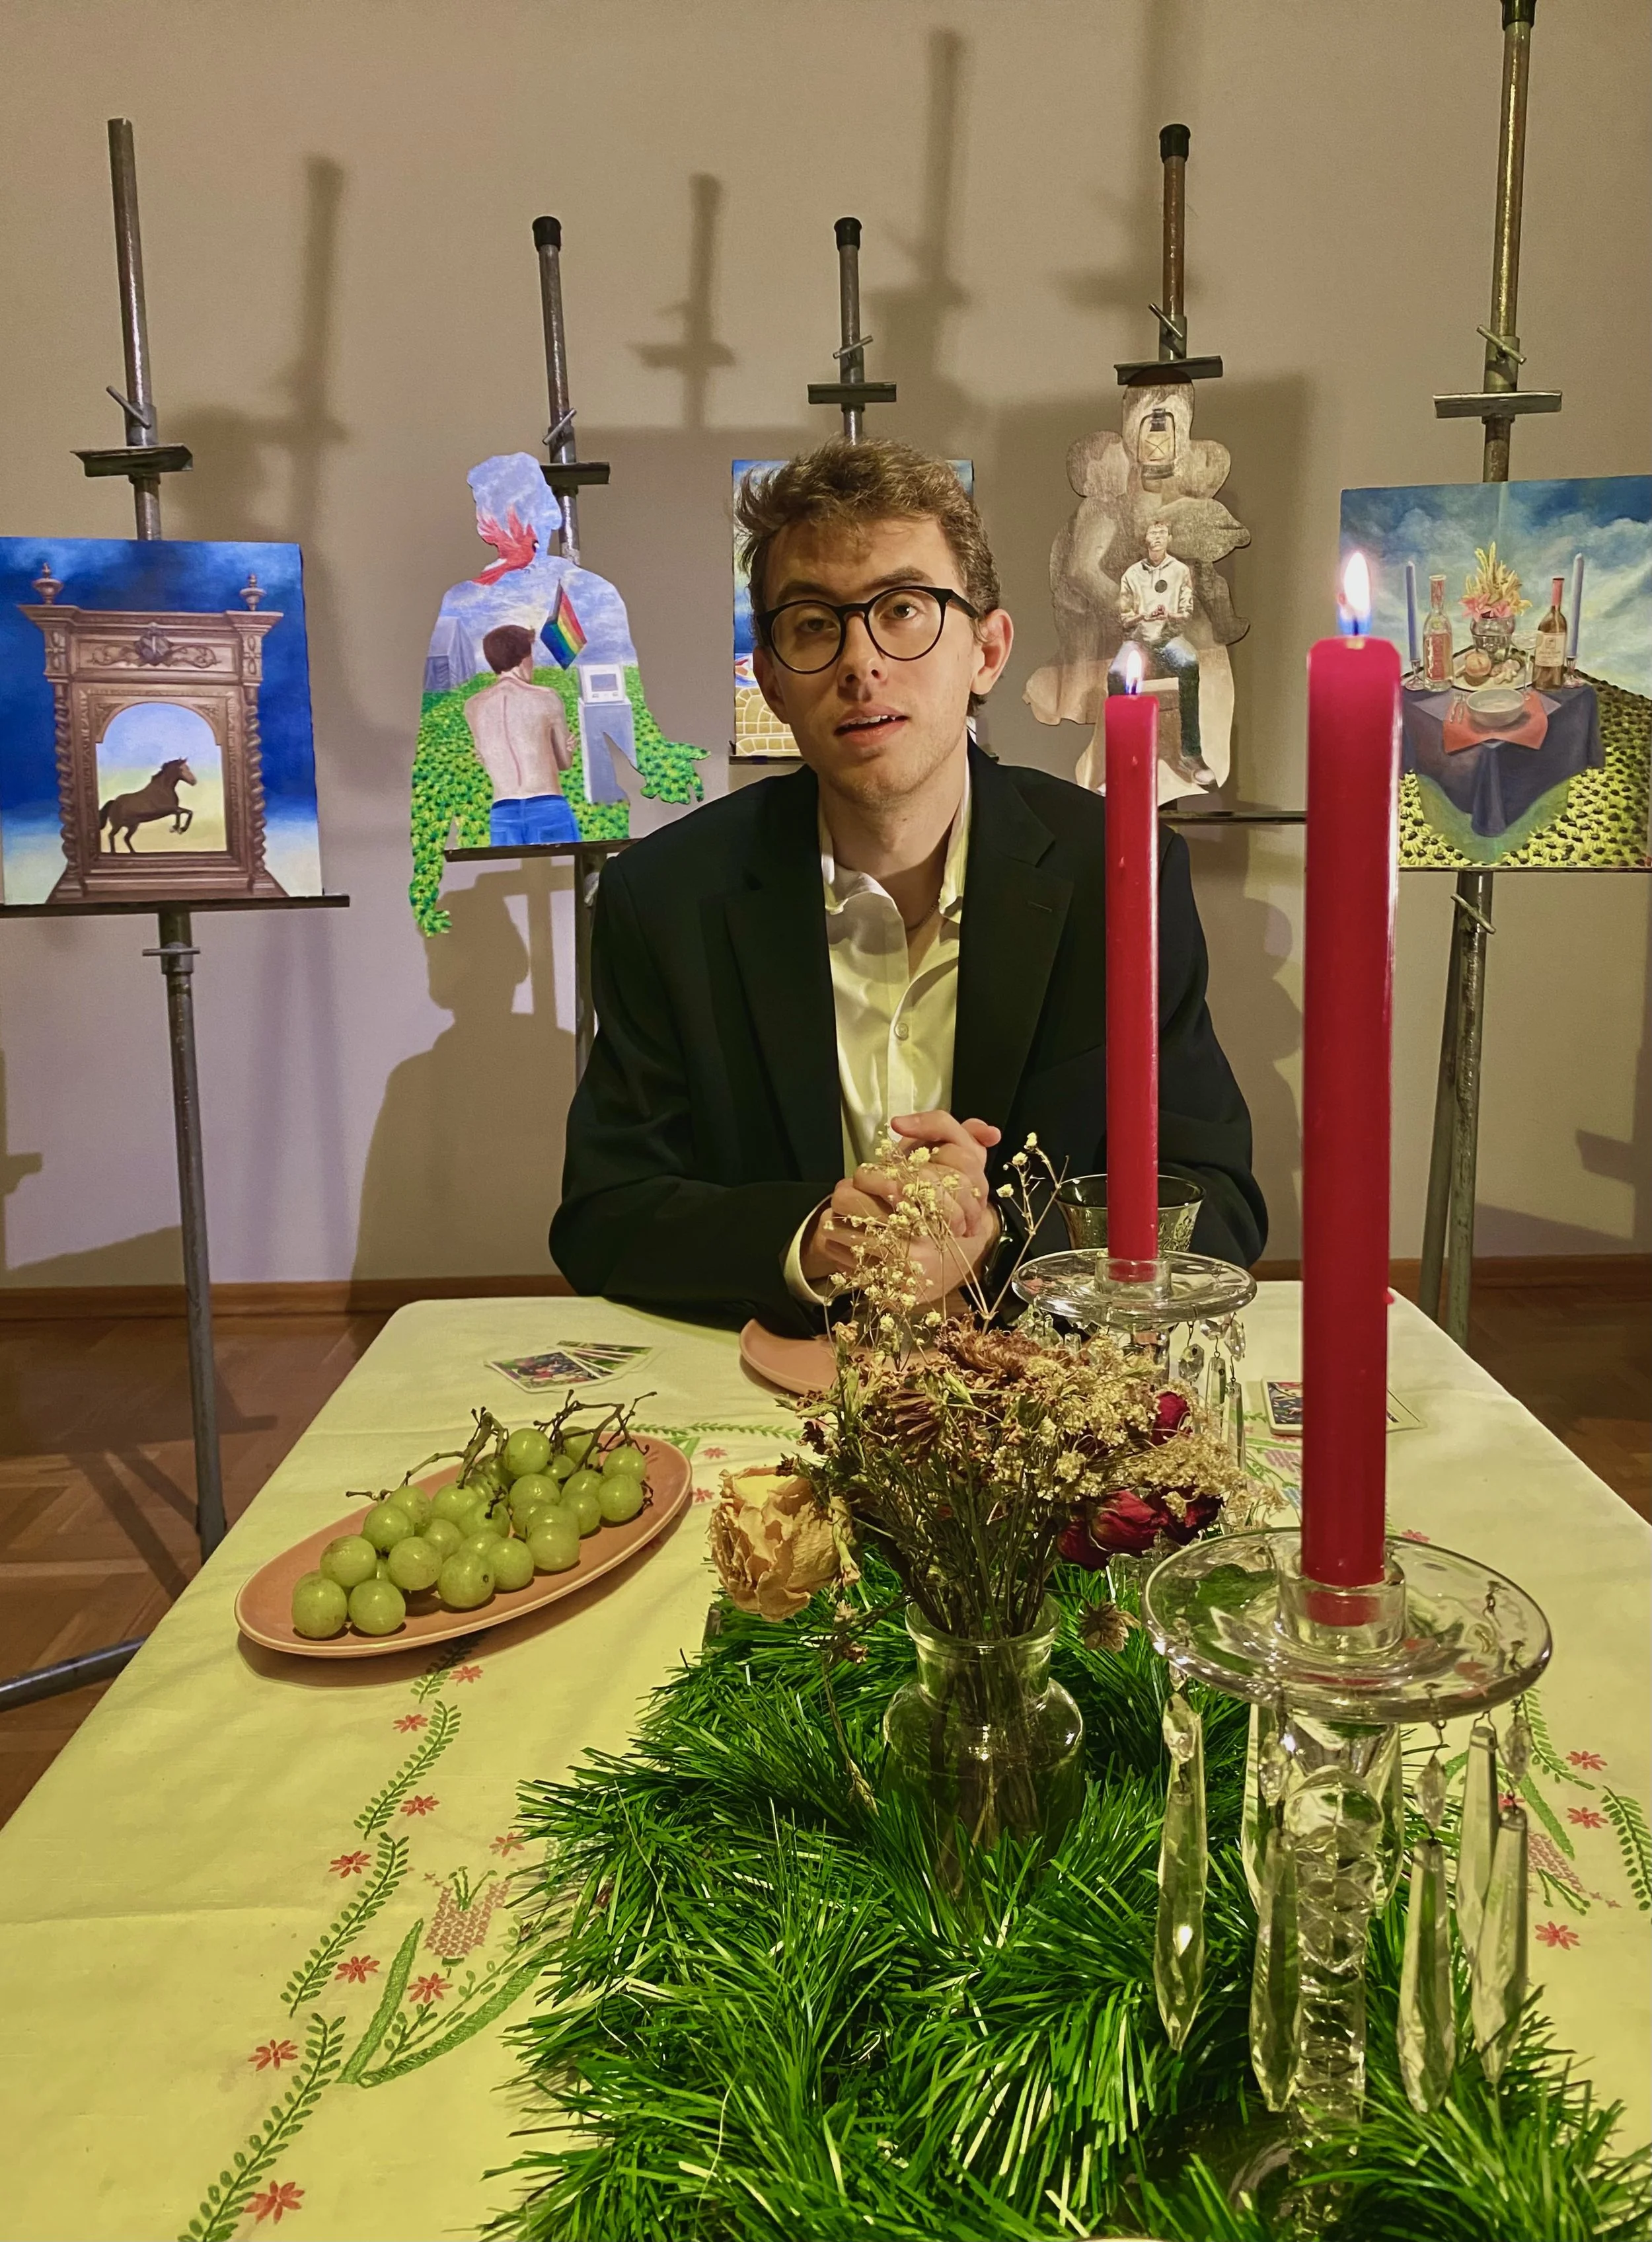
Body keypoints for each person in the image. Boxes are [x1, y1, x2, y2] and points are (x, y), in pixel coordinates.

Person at [552, 440, 1265, 1333]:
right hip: (771, 1395)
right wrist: (812, 1237)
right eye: (814, 624)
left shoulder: (1116, 875)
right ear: (769, 681)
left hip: (1032, 1391)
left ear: (988, 651)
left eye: (902, 609)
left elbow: (1216, 1199)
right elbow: (604, 1217)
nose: (861, 663)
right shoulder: (665, 898)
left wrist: (998, 1236)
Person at [1108, 520, 1216, 789]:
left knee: (1189, 662)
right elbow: (1124, 618)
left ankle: (1191, 753)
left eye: (1161, 533)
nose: (1156, 538)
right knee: (1116, 674)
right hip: (1138, 642)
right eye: (1151, 533)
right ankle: (1122, 756)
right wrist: (1142, 616)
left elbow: (1186, 612)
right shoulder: (1132, 574)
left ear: (1169, 537)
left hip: (1169, 640)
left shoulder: (1180, 571)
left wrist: (1169, 615)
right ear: (1145, 539)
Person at [464, 623, 579, 845]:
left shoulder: (473, 706)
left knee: (512, 877)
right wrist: (568, 749)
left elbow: (485, 756)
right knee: (564, 875)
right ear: (523, 657)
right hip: (548, 807)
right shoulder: (547, 697)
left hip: (503, 812)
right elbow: (564, 763)